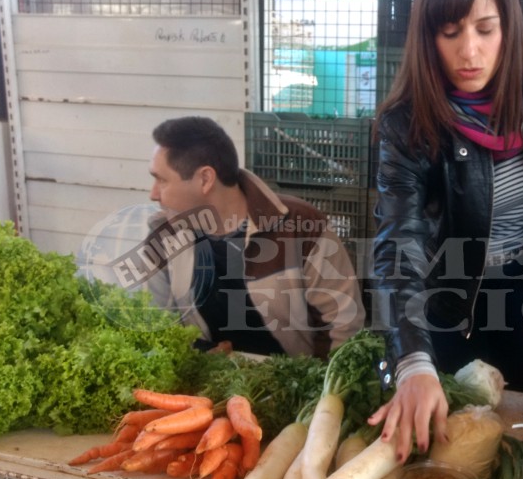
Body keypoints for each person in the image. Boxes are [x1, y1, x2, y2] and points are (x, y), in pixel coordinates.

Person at [367, 0, 523, 461]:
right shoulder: (406, 123)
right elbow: (398, 243)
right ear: (428, 37)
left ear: (509, 26)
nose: (468, 51)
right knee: (443, 453)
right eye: (450, 33)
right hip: (444, 310)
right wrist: (414, 362)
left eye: (485, 29)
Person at [143, 115, 365, 358]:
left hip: (296, 385)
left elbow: (343, 326)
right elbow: (160, 331)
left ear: (205, 179)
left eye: (161, 180)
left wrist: (318, 391)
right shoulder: (162, 238)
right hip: (207, 388)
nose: (153, 194)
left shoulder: (302, 225)